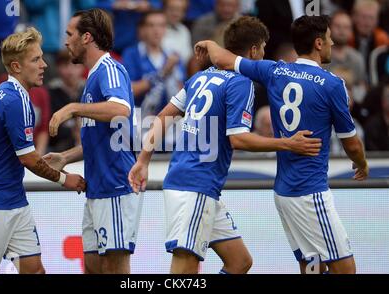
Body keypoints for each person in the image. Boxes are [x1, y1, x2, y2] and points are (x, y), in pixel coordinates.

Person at [129, 16, 322, 274]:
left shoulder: (199, 78)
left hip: (193, 182)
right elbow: (238, 138)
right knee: (184, 268)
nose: (264, 53)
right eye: (263, 47)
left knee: (240, 262)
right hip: (196, 185)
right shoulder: (241, 83)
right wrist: (287, 143)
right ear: (254, 50)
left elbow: (163, 117)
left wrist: (143, 160)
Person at [195, 15, 369, 274]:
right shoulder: (333, 85)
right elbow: (352, 144)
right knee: (346, 269)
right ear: (319, 43)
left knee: (312, 267)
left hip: (284, 193)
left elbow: (224, 59)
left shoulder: (274, 70)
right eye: (330, 38)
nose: (333, 42)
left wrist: (209, 43)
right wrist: (362, 164)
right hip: (310, 192)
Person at [0, 27, 86, 274]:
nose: (44, 65)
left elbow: (28, 157)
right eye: (36, 59)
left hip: (14, 199)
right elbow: (27, 159)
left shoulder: (18, 96)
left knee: (35, 270)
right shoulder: (14, 99)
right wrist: (63, 178)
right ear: (16, 67)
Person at [43, 9, 140, 274]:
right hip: (97, 188)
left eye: (70, 34)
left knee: (115, 268)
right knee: (94, 267)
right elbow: (101, 140)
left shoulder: (108, 69)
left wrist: (72, 108)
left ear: (86, 37)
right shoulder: (93, 77)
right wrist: (66, 157)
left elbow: (121, 109)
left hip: (116, 186)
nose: (66, 41)